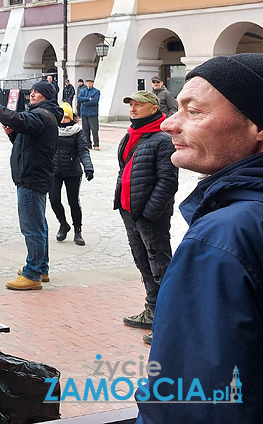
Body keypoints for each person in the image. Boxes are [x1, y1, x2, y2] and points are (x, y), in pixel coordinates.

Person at [136, 55, 263, 423]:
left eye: (194, 111)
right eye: (177, 108)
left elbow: (192, 402)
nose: (169, 124)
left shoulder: (224, 237)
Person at [0, 81, 60, 290]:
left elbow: (17, 119)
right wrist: (12, 134)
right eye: (31, 91)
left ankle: (32, 273)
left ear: (46, 96)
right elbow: (26, 142)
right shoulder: (41, 115)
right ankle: (41, 268)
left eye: (37, 92)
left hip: (31, 177)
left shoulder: (42, 115)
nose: (32, 94)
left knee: (31, 227)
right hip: (33, 175)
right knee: (38, 224)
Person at [114, 90, 177, 344]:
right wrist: (122, 203)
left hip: (150, 216)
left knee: (161, 267)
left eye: (139, 105)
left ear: (153, 108)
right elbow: (124, 170)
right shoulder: (131, 135)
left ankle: (170, 323)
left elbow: (167, 181)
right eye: (131, 104)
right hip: (130, 212)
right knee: (143, 263)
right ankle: (152, 311)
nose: (133, 109)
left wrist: (149, 213)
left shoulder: (162, 139)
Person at [51, 102, 93, 247]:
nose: (63, 120)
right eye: (61, 117)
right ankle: (63, 224)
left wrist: (88, 166)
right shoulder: (52, 130)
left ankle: (77, 230)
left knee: (73, 201)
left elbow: (83, 150)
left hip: (72, 171)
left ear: (71, 117)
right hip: (55, 171)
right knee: (54, 198)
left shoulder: (77, 131)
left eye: (66, 117)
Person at [77, 79, 101, 150]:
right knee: (85, 129)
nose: (89, 84)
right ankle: (87, 144)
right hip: (84, 112)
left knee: (94, 129)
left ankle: (96, 144)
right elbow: (79, 98)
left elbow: (95, 101)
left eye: (90, 82)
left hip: (93, 113)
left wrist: (85, 102)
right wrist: (88, 99)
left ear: (93, 83)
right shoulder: (83, 91)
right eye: (87, 82)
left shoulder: (96, 91)